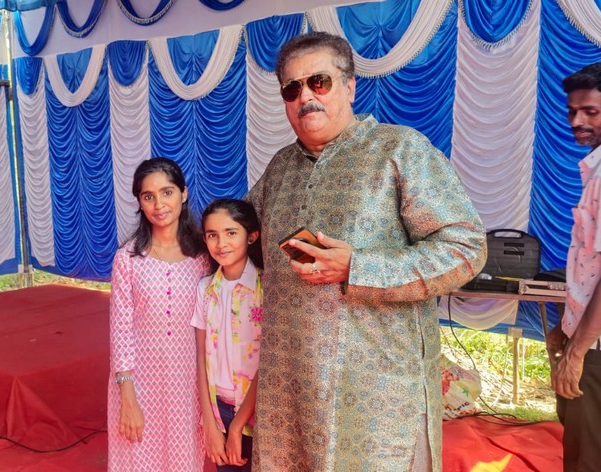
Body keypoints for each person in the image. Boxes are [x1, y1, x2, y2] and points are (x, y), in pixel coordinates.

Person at [246, 32, 487, 471]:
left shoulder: (399, 150)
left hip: (376, 390)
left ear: (350, 86)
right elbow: (240, 235)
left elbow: (466, 247)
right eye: (292, 89)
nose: (305, 97)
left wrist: (358, 267)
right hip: (290, 388)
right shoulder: (281, 167)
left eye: (319, 82)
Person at [108, 157, 210, 471]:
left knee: (182, 460)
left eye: (167, 192)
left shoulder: (204, 257)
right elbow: (121, 330)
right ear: (140, 202)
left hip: (188, 384)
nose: (159, 204)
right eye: (148, 196)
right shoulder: (128, 258)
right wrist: (128, 398)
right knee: (137, 459)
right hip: (137, 384)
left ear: (184, 193)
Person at [546, 62, 601, 472]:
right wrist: (567, 327)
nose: (577, 121)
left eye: (591, 112)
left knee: (590, 459)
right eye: (572, 110)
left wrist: (576, 352)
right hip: (599, 338)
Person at [192, 199, 263, 472]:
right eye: (212, 235)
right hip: (219, 409)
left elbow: (269, 361)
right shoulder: (205, 289)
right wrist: (211, 424)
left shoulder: (267, 289)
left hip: (259, 411)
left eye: (231, 233)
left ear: (251, 236)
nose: (221, 244)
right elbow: (201, 359)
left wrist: (237, 426)